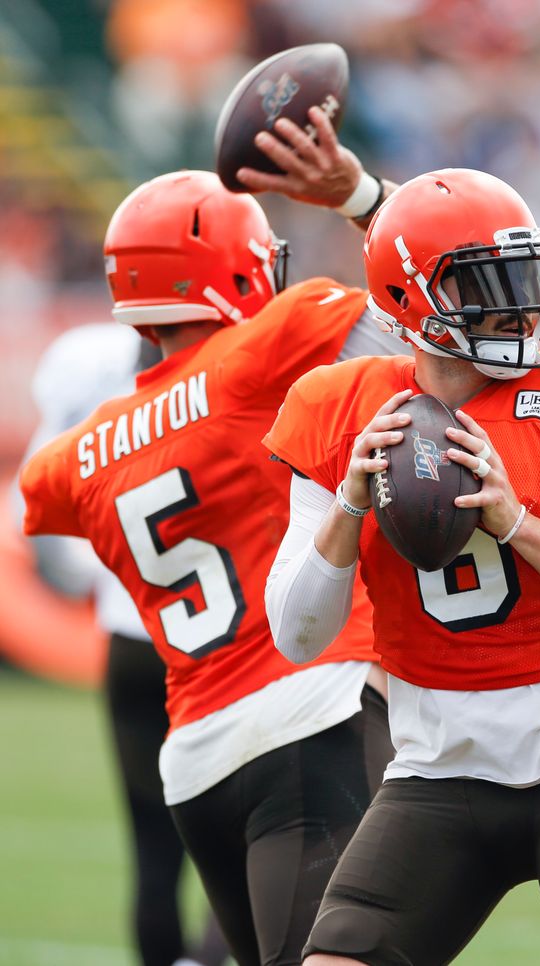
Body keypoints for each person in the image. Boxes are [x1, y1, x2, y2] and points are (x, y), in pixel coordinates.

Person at [264, 167, 540, 966]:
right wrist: (349, 507)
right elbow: (297, 636)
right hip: (438, 762)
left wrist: (519, 523)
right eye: (489, 286)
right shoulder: (339, 409)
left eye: (528, 276)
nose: (523, 306)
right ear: (411, 305)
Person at [20, 108, 405, 966]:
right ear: (229, 272)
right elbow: (427, 318)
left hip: (196, 758)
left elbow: (35, 505)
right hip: (306, 713)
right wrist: (362, 199)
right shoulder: (266, 348)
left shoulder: (73, 458)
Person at [19, 322, 230, 966]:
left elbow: (37, 494)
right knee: (253, 839)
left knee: (153, 849)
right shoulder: (237, 354)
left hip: (131, 632)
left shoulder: (86, 359)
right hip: (225, 640)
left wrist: (99, 574)